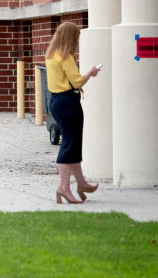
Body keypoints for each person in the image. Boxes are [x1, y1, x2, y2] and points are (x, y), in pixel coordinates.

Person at [45, 21, 101, 204]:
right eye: (76, 37)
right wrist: (91, 73)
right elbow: (77, 82)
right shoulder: (66, 57)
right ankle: (63, 187)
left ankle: (82, 183)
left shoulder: (51, 55)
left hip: (55, 101)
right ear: (71, 37)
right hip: (68, 102)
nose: (77, 40)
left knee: (73, 143)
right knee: (69, 144)